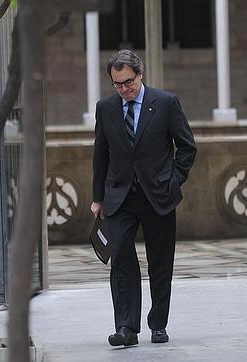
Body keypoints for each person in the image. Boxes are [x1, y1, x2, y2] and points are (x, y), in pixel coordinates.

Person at [91, 49, 197, 346]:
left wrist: (174, 181)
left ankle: (158, 324)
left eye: (128, 82)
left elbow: (187, 147)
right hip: (119, 197)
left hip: (158, 195)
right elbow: (100, 154)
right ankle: (126, 327)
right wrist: (97, 197)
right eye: (117, 84)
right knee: (121, 257)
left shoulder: (165, 103)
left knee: (160, 262)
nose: (124, 90)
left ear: (140, 75)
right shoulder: (106, 108)